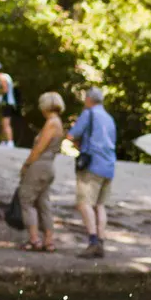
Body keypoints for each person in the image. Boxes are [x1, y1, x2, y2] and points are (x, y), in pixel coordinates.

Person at [68, 85, 117, 259]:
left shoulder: (89, 113)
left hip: (92, 165)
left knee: (84, 203)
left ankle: (93, 240)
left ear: (88, 100)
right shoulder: (109, 118)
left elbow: (72, 135)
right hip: (109, 166)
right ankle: (101, 240)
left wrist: (77, 145)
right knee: (100, 205)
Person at [15, 92, 65, 252]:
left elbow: (39, 148)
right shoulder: (58, 122)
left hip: (40, 165)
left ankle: (34, 239)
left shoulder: (52, 123)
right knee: (43, 202)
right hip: (49, 166)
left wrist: (26, 164)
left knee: (26, 200)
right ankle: (48, 241)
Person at [0, 62, 19, 145]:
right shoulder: (6, 76)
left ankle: (10, 142)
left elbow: (5, 90)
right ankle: (4, 141)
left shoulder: (1, 77)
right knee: (3, 123)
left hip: (6, 103)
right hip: (8, 103)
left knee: (6, 123)